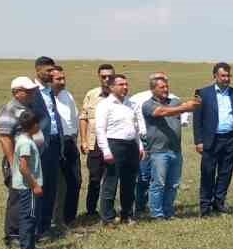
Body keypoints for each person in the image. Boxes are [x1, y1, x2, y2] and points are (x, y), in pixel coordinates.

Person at [140, 76, 200, 220]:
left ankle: (168, 211)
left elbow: (176, 111)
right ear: (153, 89)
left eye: (167, 86)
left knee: (173, 183)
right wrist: (185, 107)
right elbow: (162, 112)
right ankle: (157, 213)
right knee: (158, 183)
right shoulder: (148, 105)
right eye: (162, 87)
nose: (166, 89)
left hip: (175, 150)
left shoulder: (175, 102)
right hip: (158, 151)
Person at [193, 62, 233, 215]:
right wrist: (198, 141)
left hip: (230, 138)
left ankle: (219, 202)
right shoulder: (203, 93)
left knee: (225, 172)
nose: (226, 78)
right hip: (211, 139)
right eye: (223, 75)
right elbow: (197, 119)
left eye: (228, 75)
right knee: (208, 172)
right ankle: (205, 206)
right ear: (215, 76)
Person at [94, 73, 146, 226]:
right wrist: (106, 150)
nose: (125, 87)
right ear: (111, 87)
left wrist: (140, 146)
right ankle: (108, 217)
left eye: (126, 84)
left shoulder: (131, 104)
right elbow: (100, 129)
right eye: (121, 84)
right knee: (111, 182)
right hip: (114, 144)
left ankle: (127, 214)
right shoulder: (105, 105)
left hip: (131, 145)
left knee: (129, 182)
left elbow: (135, 127)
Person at [0, 76, 42, 246]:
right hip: (18, 160)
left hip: (29, 159)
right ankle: (13, 235)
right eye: (28, 91)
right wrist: (12, 163)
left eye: (33, 90)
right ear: (17, 93)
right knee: (17, 196)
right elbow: (5, 138)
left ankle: (27, 231)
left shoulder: (27, 107)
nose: (32, 93)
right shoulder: (9, 110)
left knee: (26, 196)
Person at [32, 57, 66, 239]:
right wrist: (38, 142)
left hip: (54, 143)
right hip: (39, 145)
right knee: (40, 186)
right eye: (48, 70)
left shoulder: (50, 91)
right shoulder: (32, 91)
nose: (51, 73)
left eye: (53, 70)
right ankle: (36, 228)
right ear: (38, 70)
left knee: (51, 186)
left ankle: (46, 226)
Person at [79, 64, 116, 220]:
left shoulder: (119, 95)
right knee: (94, 178)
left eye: (110, 76)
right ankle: (91, 211)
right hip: (95, 144)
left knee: (112, 178)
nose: (107, 79)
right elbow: (84, 118)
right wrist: (84, 141)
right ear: (99, 77)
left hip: (114, 144)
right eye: (103, 76)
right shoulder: (92, 95)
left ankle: (108, 210)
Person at [49, 65, 82, 229]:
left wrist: (75, 136)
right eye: (58, 79)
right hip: (54, 143)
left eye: (64, 78)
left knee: (74, 180)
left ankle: (69, 218)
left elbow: (74, 117)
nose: (62, 82)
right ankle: (55, 220)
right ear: (50, 79)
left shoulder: (67, 95)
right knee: (57, 184)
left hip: (70, 142)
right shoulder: (45, 98)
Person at [9, 109, 45, 249]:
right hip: (28, 186)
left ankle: (31, 245)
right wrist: (35, 185)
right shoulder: (25, 143)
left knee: (32, 215)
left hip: (28, 186)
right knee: (28, 216)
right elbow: (24, 168)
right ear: (34, 125)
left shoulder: (26, 140)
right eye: (38, 124)